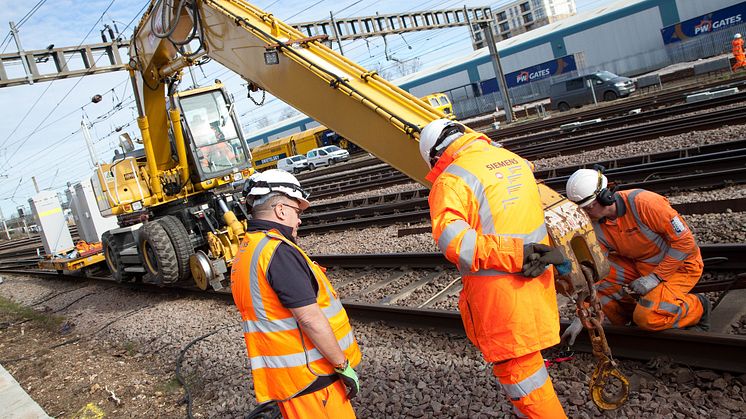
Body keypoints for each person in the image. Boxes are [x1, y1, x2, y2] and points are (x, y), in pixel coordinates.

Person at [421, 118, 568, 418]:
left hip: (502, 297)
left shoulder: (451, 180)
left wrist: (516, 255)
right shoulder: (514, 161)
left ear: (436, 155)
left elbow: (455, 242)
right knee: (531, 368)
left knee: (523, 379)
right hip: (536, 283)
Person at [230, 169, 362, 418]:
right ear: (280, 210)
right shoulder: (277, 252)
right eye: (296, 211)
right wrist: (342, 366)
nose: (299, 220)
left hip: (291, 378)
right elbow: (310, 319)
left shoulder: (248, 250)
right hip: (313, 379)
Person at [561, 169, 709, 345]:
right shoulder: (597, 225)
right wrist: (582, 316)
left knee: (648, 317)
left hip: (681, 266)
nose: (586, 214)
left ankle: (699, 307)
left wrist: (655, 277)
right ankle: (628, 318)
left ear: (604, 197)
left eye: (588, 208)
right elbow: (596, 273)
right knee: (601, 274)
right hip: (642, 266)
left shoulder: (646, 204)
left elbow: (685, 243)